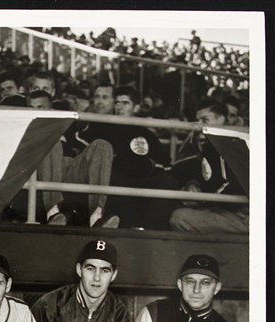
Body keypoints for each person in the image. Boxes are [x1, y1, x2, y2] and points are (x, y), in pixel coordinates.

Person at [74, 85, 180, 229]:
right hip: (119, 178)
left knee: (168, 182)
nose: (120, 107)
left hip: (141, 178)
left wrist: (149, 165)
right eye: (117, 103)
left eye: (125, 103)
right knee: (112, 177)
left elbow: (165, 163)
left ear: (135, 108)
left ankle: (153, 232)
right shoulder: (104, 128)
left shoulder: (146, 132)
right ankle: (133, 227)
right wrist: (137, 164)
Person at [27, 91, 116, 228]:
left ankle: (97, 216)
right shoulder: (24, 130)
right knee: (52, 142)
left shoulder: (68, 128)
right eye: (30, 108)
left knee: (102, 145)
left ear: (50, 110)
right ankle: (54, 214)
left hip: (71, 166)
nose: (34, 112)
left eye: (40, 107)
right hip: (44, 169)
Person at [168, 101, 248, 234]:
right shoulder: (210, 145)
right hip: (225, 210)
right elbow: (206, 175)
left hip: (241, 214)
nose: (198, 125)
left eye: (204, 120)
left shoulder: (231, 144)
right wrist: (193, 183)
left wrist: (202, 201)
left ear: (221, 120)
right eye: (197, 120)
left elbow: (234, 187)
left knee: (179, 218)